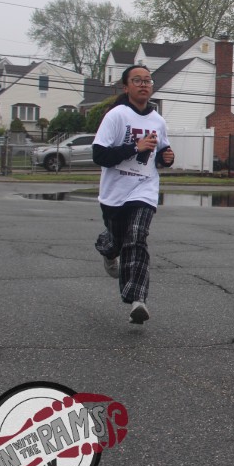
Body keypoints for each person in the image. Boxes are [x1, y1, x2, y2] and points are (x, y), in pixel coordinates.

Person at [92, 65, 174, 324]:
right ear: (126, 87)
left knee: (137, 237)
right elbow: (100, 156)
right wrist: (134, 147)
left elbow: (161, 152)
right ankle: (108, 250)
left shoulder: (158, 120)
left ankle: (138, 300)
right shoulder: (117, 115)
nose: (143, 84)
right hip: (115, 193)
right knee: (117, 241)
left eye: (147, 80)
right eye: (137, 80)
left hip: (144, 188)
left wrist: (166, 157)